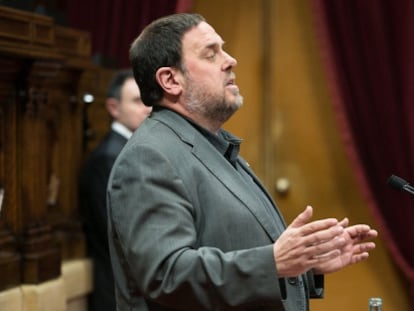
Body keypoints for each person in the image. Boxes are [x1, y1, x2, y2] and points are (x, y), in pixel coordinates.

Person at [107, 13, 378, 311]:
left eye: (223, 49)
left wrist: (304, 265)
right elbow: (167, 274)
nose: (230, 60)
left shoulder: (211, 145)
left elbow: (237, 249)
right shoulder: (150, 157)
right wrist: (272, 262)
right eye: (211, 53)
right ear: (171, 80)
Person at [79, 69, 152, 311]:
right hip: (118, 292)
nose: (148, 108)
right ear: (113, 107)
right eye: (137, 101)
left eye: (149, 100)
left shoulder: (132, 149)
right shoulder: (110, 156)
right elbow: (120, 232)